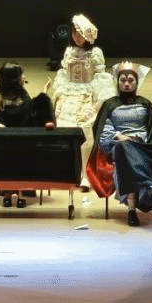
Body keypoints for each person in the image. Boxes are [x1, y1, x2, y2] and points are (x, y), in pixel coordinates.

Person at [89, 62, 152, 226]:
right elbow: (102, 130)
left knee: (127, 151)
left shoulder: (146, 104)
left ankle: (132, 209)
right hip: (118, 146)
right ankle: (145, 184)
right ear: (117, 82)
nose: (126, 84)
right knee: (122, 148)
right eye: (123, 80)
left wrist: (138, 140)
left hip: (141, 147)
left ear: (137, 83)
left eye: (130, 80)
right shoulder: (110, 105)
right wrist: (119, 136)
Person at [49, 13, 115, 188]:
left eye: (80, 34)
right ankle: (66, 172)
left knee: (86, 131)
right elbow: (64, 75)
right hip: (69, 94)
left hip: (87, 95)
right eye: (74, 33)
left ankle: (86, 174)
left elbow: (100, 78)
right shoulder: (69, 51)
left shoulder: (95, 53)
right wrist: (60, 97)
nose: (77, 37)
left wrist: (97, 103)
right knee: (63, 128)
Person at [0, 61, 55, 208]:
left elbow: (30, 112)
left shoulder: (23, 93)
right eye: (20, 74)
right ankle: (8, 193)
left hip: (24, 138)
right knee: (9, 156)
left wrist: (44, 97)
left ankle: (22, 192)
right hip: (6, 139)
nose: (23, 77)